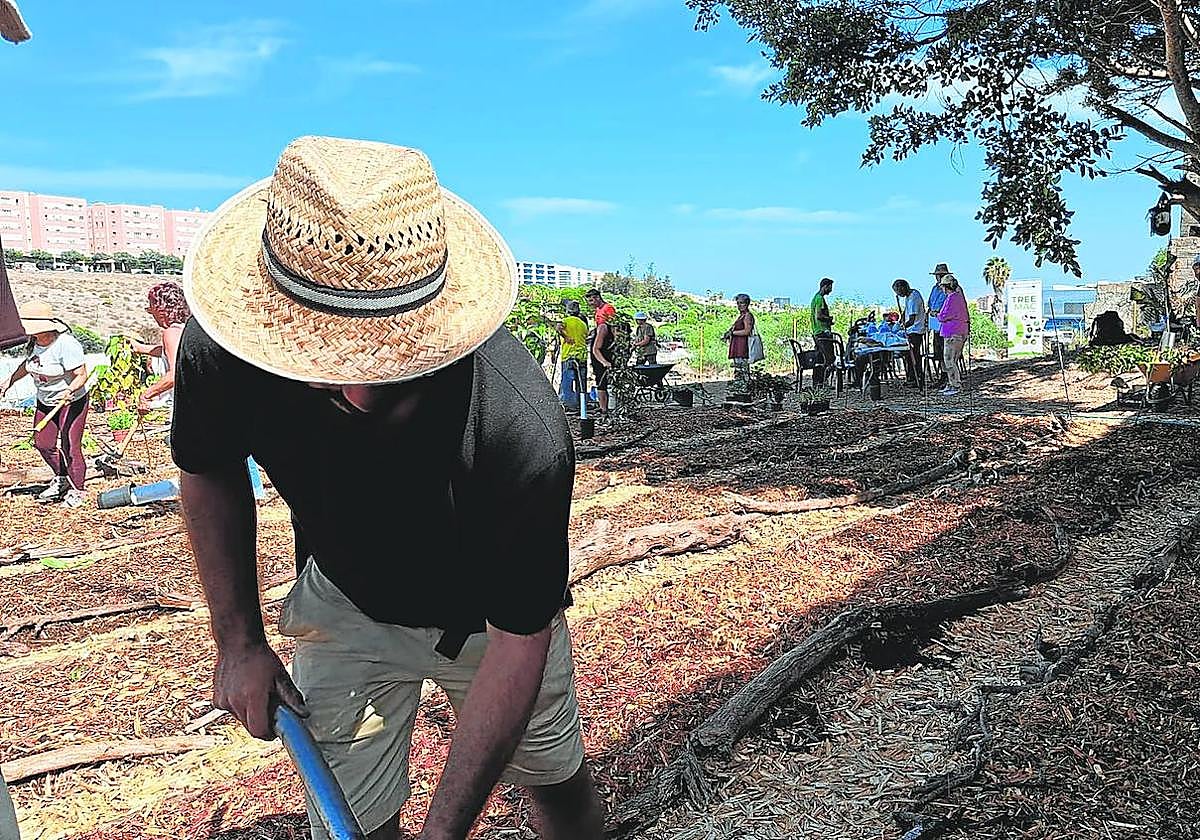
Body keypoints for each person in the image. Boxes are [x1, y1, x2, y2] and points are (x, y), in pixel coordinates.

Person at [170, 136, 604, 840]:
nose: (362, 392)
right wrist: (239, 641)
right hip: (345, 599)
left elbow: (518, 643)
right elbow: (208, 466)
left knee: (555, 784)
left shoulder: (520, 426)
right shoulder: (222, 351)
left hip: (489, 625)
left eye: (395, 359)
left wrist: (443, 834)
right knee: (352, 823)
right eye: (324, 356)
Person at [0, 300, 90, 507]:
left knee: (70, 445)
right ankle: (62, 478)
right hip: (45, 401)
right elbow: (29, 364)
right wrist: (10, 380)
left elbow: (81, 374)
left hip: (70, 402)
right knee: (43, 443)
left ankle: (79, 490)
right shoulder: (34, 343)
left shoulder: (65, 345)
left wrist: (69, 390)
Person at [127, 281, 191, 413]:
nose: (150, 313)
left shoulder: (171, 333)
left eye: (151, 307)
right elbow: (173, 352)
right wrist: (141, 348)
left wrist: (147, 395)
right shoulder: (187, 328)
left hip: (187, 407)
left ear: (161, 309)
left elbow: (175, 374)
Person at [937, 274, 970, 396]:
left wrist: (937, 315)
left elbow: (944, 315)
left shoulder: (951, 298)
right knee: (953, 360)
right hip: (960, 331)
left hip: (952, 332)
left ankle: (955, 385)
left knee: (949, 360)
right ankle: (952, 383)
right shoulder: (959, 297)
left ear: (946, 287)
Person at [585, 288, 616, 415]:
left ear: (597, 297)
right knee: (601, 380)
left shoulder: (608, 309)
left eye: (592, 300)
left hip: (606, 346)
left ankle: (608, 407)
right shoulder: (598, 312)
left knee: (607, 381)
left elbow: (613, 326)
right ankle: (604, 408)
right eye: (589, 301)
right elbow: (595, 348)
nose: (591, 303)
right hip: (599, 347)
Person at [892, 278, 927, 389]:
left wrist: (902, 328)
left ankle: (917, 379)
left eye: (898, 291)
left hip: (915, 330)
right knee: (908, 356)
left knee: (914, 356)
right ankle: (911, 377)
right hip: (911, 330)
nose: (898, 294)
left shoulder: (914, 297)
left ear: (903, 287)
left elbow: (912, 319)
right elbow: (906, 312)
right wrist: (900, 320)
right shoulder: (909, 296)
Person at [554, 299, 588, 412]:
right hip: (582, 356)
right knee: (581, 384)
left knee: (567, 383)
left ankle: (568, 405)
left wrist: (566, 337)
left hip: (568, 355)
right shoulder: (583, 324)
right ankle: (581, 405)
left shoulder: (566, 321)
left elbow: (558, 328)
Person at [723, 293, 755, 394]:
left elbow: (747, 331)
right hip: (737, 347)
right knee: (738, 371)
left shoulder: (747, 316)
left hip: (742, 347)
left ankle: (745, 393)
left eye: (742, 303)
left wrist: (733, 333)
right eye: (738, 303)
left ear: (747, 304)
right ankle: (740, 392)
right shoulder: (741, 316)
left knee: (743, 371)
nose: (739, 306)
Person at [927, 263, 952, 386]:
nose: (939, 277)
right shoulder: (934, 288)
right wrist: (932, 311)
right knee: (938, 351)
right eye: (937, 275)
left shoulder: (951, 289)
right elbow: (930, 303)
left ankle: (949, 376)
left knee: (946, 351)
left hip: (946, 323)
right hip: (936, 323)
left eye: (941, 275)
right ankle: (943, 374)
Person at [810, 278, 835, 386]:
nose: (831, 290)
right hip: (822, 333)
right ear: (825, 286)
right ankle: (823, 380)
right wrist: (828, 319)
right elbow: (818, 316)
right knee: (830, 358)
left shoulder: (815, 298)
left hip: (817, 332)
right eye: (830, 287)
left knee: (820, 359)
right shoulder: (819, 299)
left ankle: (818, 382)